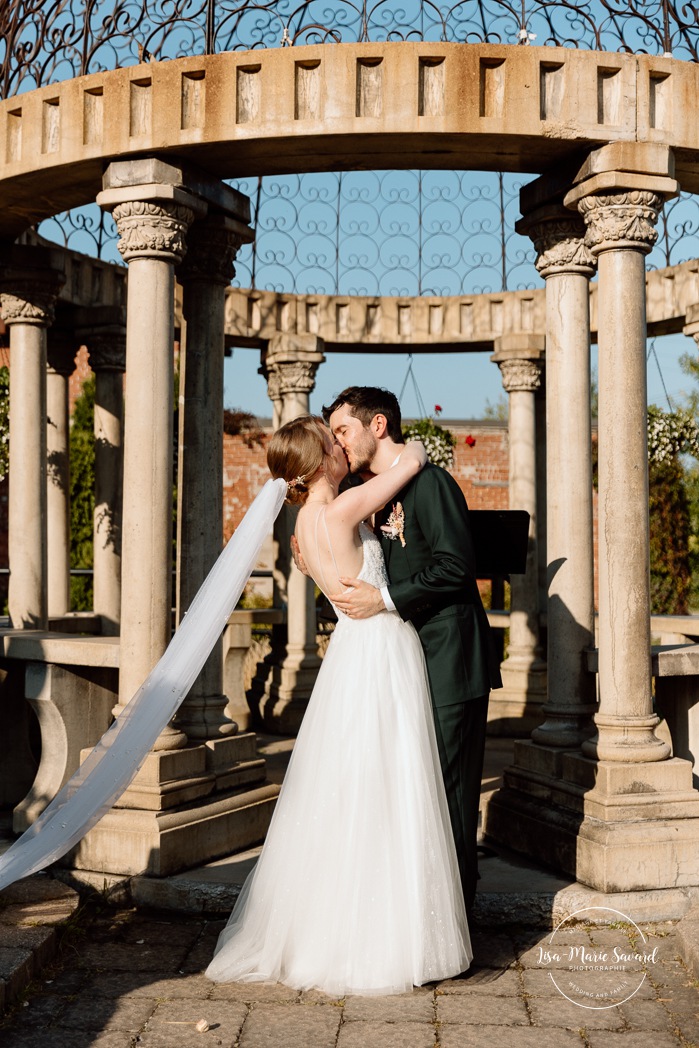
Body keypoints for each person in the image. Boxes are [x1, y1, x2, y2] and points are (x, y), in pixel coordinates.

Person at [206, 415, 470, 995]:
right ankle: (391, 938)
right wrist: (408, 448)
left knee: (349, 782)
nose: (342, 448)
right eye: (334, 443)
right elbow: (411, 464)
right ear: (319, 463)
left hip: (350, 654)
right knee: (393, 780)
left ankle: (331, 930)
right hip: (380, 647)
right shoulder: (342, 508)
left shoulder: (302, 528)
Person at [323, 387, 502, 915]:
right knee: (418, 796)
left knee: (450, 797)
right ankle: (424, 922)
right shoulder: (375, 492)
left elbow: (455, 566)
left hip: (452, 660)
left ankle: (458, 925)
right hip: (408, 664)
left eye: (343, 430)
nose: (337, 442)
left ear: (377, 425)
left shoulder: (432, 482)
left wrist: (384, 598)